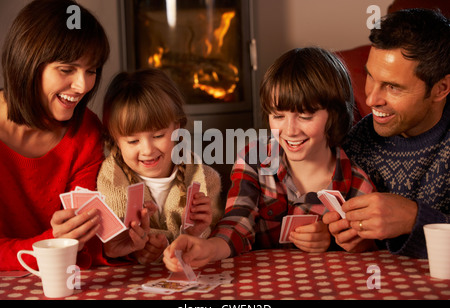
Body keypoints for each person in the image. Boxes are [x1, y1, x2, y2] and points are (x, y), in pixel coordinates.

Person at [163, 47, 376, 271]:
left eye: (305, 116)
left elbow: (370, 246)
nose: (290, 130)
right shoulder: (253, 158)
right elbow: (238, 220)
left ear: (335, 115)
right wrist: (208, 249)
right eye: (278, 116)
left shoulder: (357, 182)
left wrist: (332, 241)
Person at [324, 9, 450, 259]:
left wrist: (413, 218)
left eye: (393, 87)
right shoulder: (358, 142)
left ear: (441, 89)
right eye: (370, 76)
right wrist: (362, 242)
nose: (371, 98)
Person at [0, 0, 111, 271]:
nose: (82, 85)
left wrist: (117, 245)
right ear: (27, 62)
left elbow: (86, 244)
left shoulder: (86, 132)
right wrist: (54, 243)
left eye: (91, 70)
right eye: (66, 69)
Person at [97, 68, 223, 265]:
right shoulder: (109, 180)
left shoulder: (206, 178)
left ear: (177, 128)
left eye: (158, 136)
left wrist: (196, 233)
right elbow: (115, 243)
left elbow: (215, 242)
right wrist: (141, 250)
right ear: (115, 140)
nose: (147, 150)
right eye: (132, 141)